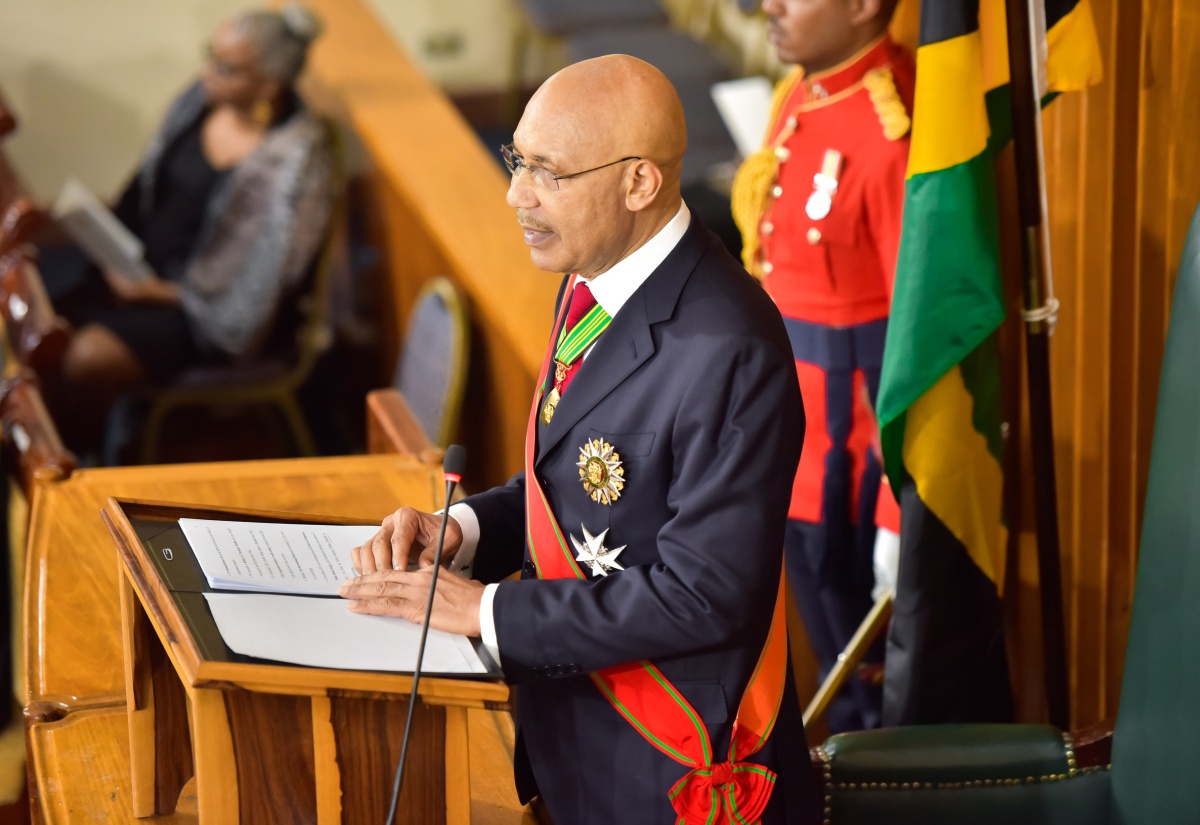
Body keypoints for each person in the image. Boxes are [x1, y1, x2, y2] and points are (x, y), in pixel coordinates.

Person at [340, 55, 819, 825]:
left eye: (548, 173)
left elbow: (705, 595)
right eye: (517, 159)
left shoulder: (728, 345)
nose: (516, 193)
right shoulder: (596, 275)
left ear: (639, 184)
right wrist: (459, 532)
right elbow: (577, 487)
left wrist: (486, 613)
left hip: (664, 762)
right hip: (575, 734)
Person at [730, 0, 911, 733]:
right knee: (830, 671)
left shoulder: (894, 128)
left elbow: (918, 334)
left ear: (864, 6)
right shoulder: (803, 91)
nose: (766, 5)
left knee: (871, 701)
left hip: (855, 474)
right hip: (792, 448)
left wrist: (901, 506)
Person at [42, 3, 333, 455]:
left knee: (87, 360)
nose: (207, 74)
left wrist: (157, 292)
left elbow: (256, 295)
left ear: (268, 86)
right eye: (210, 55)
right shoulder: (197, 103)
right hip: (138, 276)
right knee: (43, 332)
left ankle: (84, 467)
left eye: (227, 67)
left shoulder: (297, 161)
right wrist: (108, 245)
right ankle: (48, 455)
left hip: (206, 317)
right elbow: (144, 191)